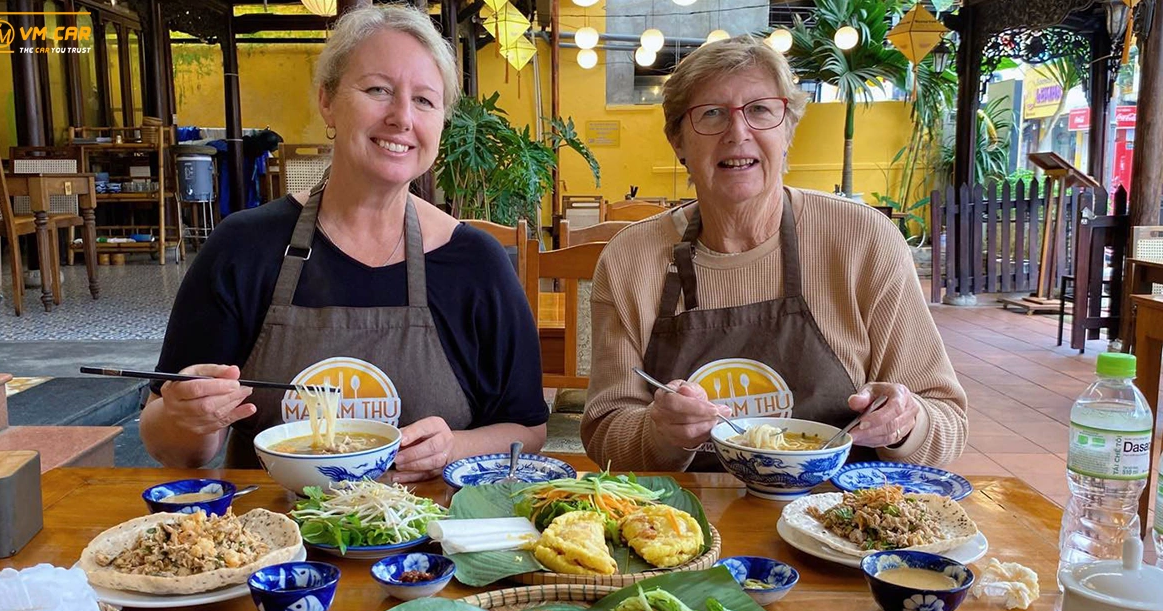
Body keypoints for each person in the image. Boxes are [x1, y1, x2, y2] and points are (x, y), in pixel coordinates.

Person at [141, 6, 547, 481]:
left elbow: (528, 428)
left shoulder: (475, 263)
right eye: (378, 90)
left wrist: (453, 447)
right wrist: (187, 417)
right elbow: (169, 444)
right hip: (272, 544)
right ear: (327, 100)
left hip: (429, 547)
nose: (401, 117)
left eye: (424, 100)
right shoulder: (244, 247)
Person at [581, 35, 967, 471]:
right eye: (711, 114)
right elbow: (604, 431)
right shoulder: (630, 259)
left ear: (788, 130)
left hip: (834, 523)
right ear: (678, 142)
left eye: (761, 110)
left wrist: (905, 423)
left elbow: (947, 420)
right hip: (683, 528)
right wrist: (657, 431)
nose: (738, 133)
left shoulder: (862, 240)